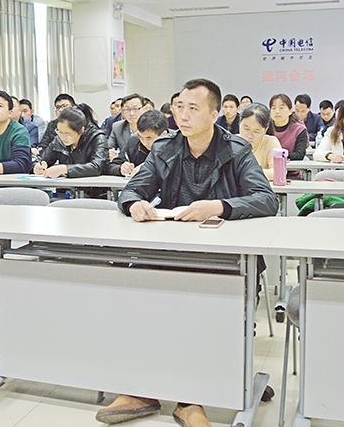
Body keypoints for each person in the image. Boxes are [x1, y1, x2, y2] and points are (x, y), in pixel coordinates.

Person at [104, 79, 277, 427]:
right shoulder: (165, 147)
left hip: (224, 259)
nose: (182, 115)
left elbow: (266, 199)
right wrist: (135, 203)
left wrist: (219, 206)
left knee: (202, 314)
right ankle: (143, 388)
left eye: (193, 109)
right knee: (139, 302)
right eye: (179, 107)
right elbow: (133, 189)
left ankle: (189, 399)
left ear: (214, 115)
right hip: (172, 253)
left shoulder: (236, 149)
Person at [34, 104, 108, 178]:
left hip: (92, 184)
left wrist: (65, 169)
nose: (63, 137)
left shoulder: (97, 138)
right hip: (65, 184)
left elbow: (97, 167)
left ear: (81, 130)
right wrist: (37, 166)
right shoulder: (58, 140)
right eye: (59, 132)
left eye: (68, 134)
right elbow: (42, 159)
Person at [106, 110, 168, 177]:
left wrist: (147, 169)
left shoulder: (174, 144)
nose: (144, 142)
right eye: (140, 137)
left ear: (163, 134)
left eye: (148, 138)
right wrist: (120, 169)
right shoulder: (134, 140)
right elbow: (111, 166)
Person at [238, 103, 282, 181]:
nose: (250, 135)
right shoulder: (232, 142)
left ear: (265, 130)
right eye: (246, 129)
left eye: (256, 131)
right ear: (239, 123)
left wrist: (246, 173)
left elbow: (278, 173)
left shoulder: (271, 142)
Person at [269, 94, 308, 160]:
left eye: (281, 108)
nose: (277, 111)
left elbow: (299, 155)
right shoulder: (265, 129)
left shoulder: (299, 130)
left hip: (292, 166)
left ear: (290, 111)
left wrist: (279, 154)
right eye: (273, 108)